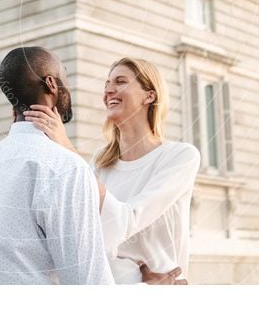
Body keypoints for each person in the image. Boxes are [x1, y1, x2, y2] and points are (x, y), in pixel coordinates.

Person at [25, 58, 200, 284]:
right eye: (107, 84)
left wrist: (67, 148)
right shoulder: (100, 161)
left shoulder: (180, 157)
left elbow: (129, 219)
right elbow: (81, 229)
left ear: (150, 95)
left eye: (120, 81)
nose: (109, 90)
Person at [0, 46, 113, 284]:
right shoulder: (67, 169)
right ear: (51, 84)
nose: (68, 88)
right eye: (64, 79)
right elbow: (88, 283)